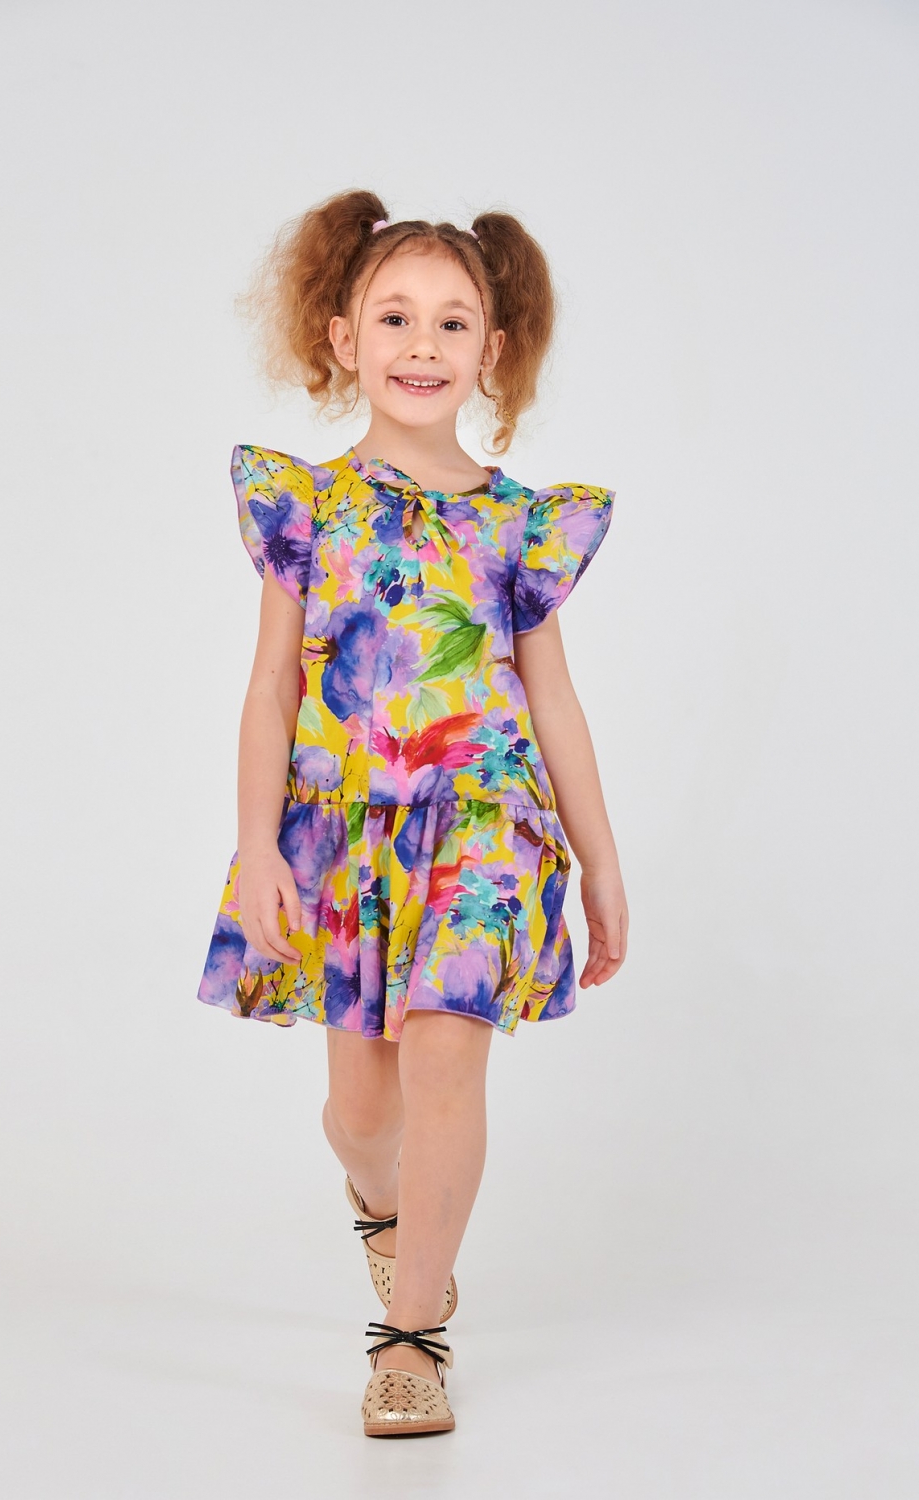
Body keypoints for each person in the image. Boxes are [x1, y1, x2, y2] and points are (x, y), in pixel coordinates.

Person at [196, 189, 628, 1437]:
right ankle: (383, 1207)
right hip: (348, 831)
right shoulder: (306, 507)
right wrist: (257, 845)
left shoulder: (518, 524)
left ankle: (412, 1334)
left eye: (452, 321)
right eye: (394, 317)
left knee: (447, 1048)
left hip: (487, 825)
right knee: (363, 1112)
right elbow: (271, 688)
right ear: (343, 338)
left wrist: (600, 864)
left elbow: (555, 704)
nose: (422, 344)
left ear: (494, 348)